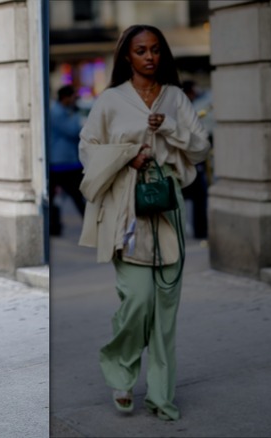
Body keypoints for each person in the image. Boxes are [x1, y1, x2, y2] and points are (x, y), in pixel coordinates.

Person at [78, 25, 210, 421]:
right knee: (137, 301)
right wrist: (127, 156)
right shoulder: (111, 100)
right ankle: (120, 369)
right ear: (127, 57)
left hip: (166, 207)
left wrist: (168, 127)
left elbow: (201, 148)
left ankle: (161, 396)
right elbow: (89, 148)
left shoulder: (175, 98)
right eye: (140, 50)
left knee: (166, 311)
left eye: (155, 49)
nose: (149, 56)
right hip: (125, 210)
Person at [49, 85, 86, 236]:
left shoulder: (63, 111)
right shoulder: (57, 113)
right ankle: (54, 227)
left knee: (75, 197)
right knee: (76, 197)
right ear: (65, 97)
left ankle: (55, 227)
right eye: (73, 97)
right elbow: (73, 131)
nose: (74, 100)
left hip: (67, 161)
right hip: (62, 163)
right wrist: (77, 114)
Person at [180, 80, 210, 239]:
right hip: (187, 161)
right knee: (197, 196)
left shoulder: (188, 108)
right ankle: (199, 231)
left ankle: (199, 231)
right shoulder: (185, 110)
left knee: (195, 197)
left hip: (189, 161)